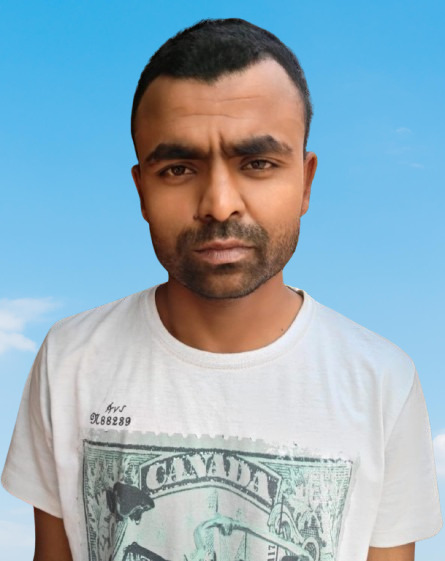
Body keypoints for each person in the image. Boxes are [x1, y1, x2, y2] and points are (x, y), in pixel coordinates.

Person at [1, 18, 441, 561]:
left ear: (305, 181)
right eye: (178, 168)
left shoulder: (381, 381)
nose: (219, 203)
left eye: (257, 163)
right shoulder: (70, 359)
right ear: (141, 190)